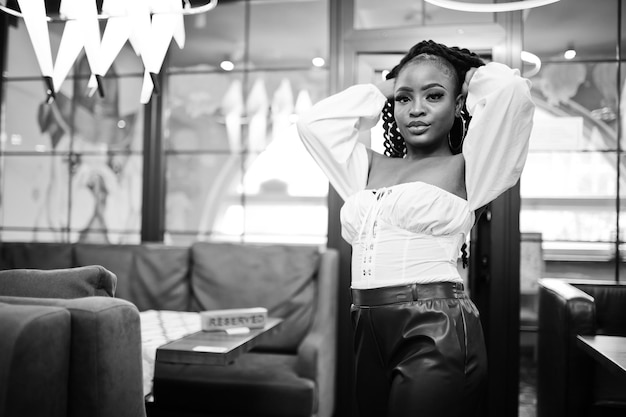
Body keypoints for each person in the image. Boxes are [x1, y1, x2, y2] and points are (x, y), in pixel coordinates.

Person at [296, 39, 535, 417]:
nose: (416, 109)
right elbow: (312, 125)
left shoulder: (469, 168)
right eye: (405, 99)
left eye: (434, 95)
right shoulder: (366, 168)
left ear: (459, 105)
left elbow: (511, 92)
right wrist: (384, 88)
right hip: (367, 325)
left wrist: (469, 76)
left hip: (435, 325)